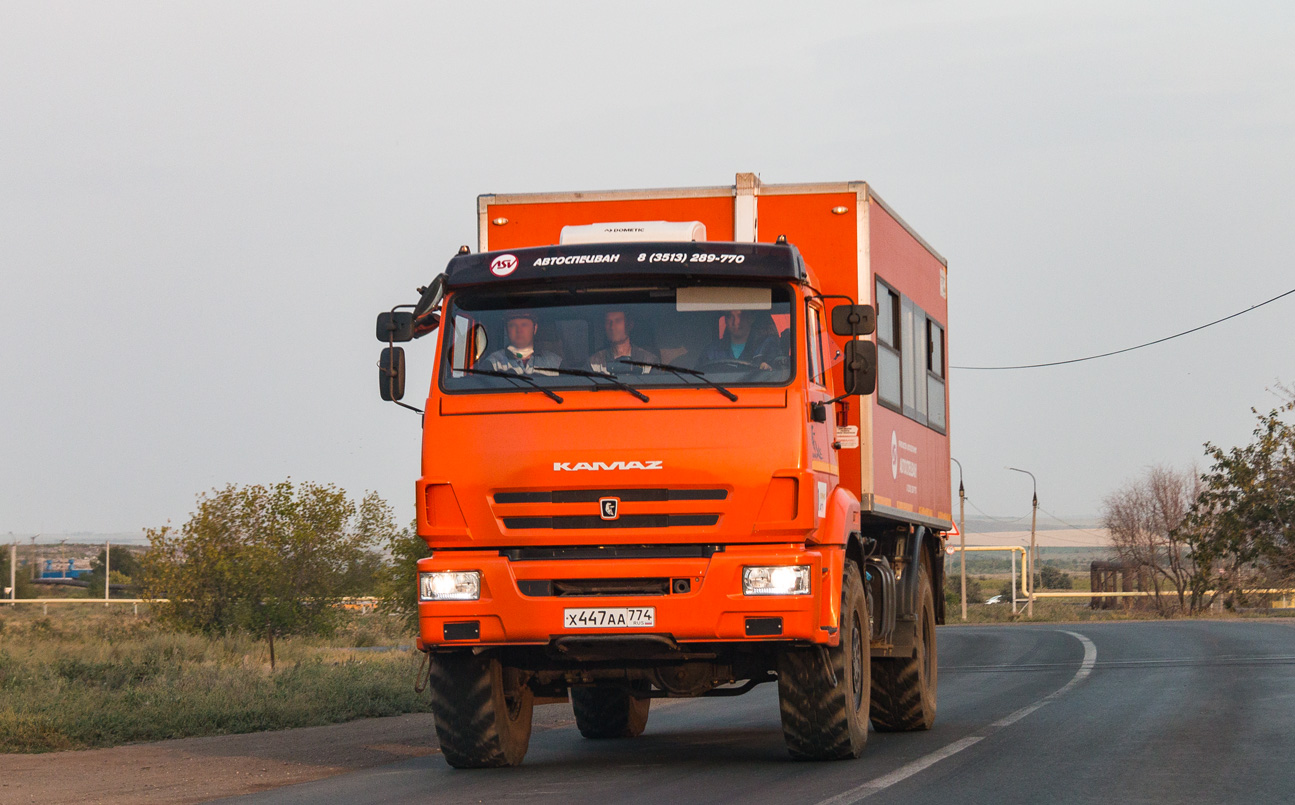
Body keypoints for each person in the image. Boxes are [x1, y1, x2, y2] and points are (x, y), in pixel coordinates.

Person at [698, 309, 781, 369]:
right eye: (730, 316)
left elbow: (781, 373)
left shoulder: (768, 347)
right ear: (725, 320)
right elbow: (698, 378)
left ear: (751, 318)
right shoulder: (711, 351)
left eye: (741, 316)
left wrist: (768, 369)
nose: (736, 322)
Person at [484, 311, 561, 374]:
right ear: (506, 330)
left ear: (535, 328)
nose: (519, 330)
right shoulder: (493, 364)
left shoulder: (555, 363)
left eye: (524, 325)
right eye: (513, 325)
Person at [588, 309, 658, 374]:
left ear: (630, 325)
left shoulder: (649, 360)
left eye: (618, 321)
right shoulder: (595, 362)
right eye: (608, 322)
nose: (612, 327)